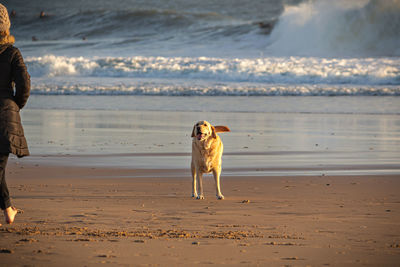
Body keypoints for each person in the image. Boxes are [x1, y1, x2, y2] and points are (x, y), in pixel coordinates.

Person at [0, 4, 30, 225]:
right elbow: (24, 84)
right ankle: (8, 208)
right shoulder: (12, 53)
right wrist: (14, 105)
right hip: (5, 116)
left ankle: (8, 208)